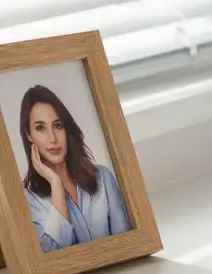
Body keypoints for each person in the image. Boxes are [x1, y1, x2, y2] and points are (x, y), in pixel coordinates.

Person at [18, 85, 131, 253]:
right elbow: (52, 258)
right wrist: (55, 183)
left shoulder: (103, 177)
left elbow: (127, 244)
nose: (52, 138)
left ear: (66, 128)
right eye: (40, 128)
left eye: (57, 125)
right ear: (29, 135)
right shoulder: (27, 201)